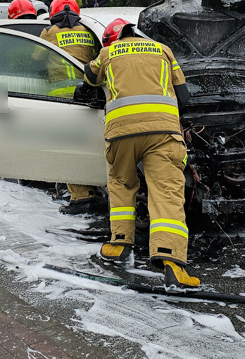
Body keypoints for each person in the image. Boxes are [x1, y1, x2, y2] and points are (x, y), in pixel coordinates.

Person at [84, 18, 199, 288]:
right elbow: (183, 97)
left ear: (112, 38)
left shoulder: (107, 53)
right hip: (163, 133)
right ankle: (172, 261)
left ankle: (119, 244)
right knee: (167, 192)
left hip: (121, 133)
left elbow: (89, 79)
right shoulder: (163, 50)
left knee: (122, 184)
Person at [39, 0, 100, 214]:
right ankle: (92, 190)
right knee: (85, 145)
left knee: (67, 147)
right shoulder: (86, 31)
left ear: (53, 12)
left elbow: (36, 56)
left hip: (60, 95)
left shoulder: (50, 32)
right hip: (86, 94)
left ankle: (80, 197)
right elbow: (94, 58)